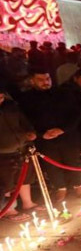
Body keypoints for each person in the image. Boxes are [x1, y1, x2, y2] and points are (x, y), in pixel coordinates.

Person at [18, 69, 81, 202]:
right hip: (45, 139)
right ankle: (61, 188)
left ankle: (78, 185)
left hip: (67, 135)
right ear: (32, 81)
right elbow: (25, 120)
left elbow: (76, 113)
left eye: (47, 79)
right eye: (41, 80)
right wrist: (41, 134)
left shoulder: (63, 93)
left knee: (73, 161)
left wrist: (62, 129)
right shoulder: (26, 98)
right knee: (52, 165)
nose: (45, 82)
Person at [0, 87, 40, 222]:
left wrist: (30, 131)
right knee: (7, 184)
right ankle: (9, 210)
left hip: (21, 146)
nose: (0, 100)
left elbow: (23, 121)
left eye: (1, 97)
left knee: (24, 177)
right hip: (3, 153)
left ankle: (28, 203)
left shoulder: (10, 106)